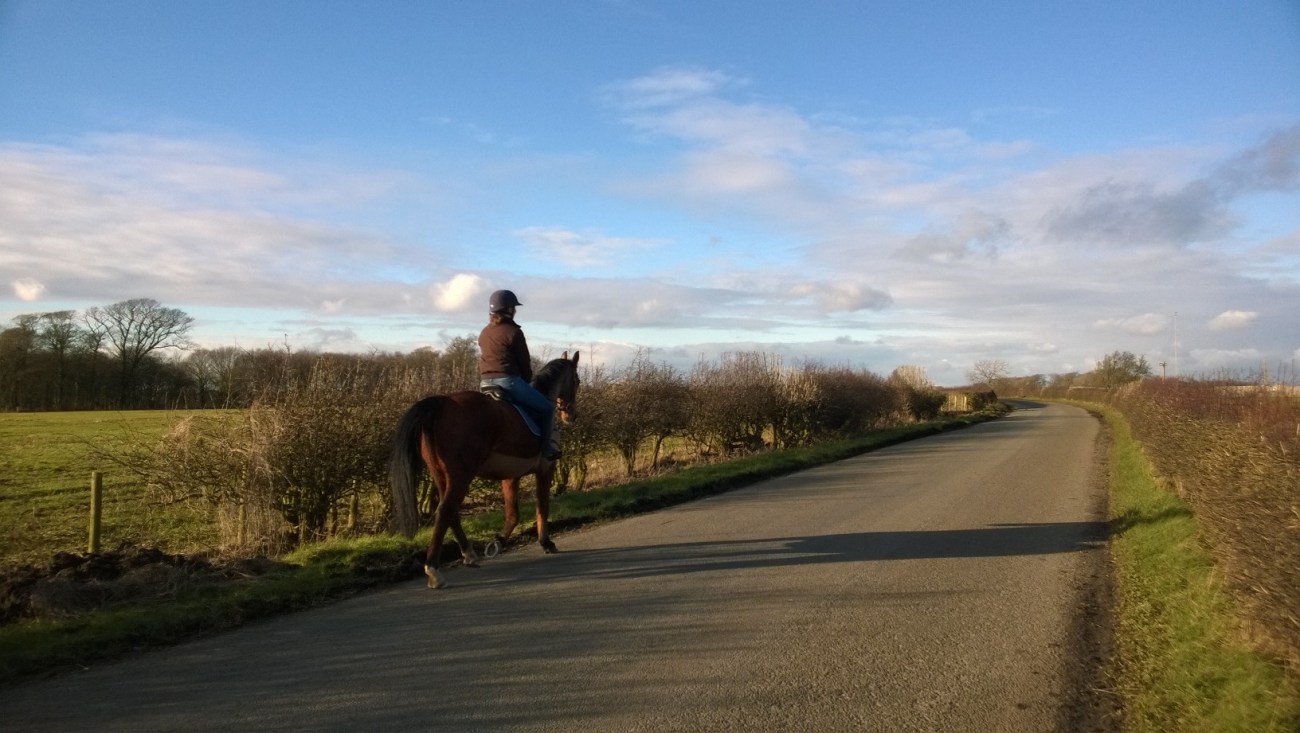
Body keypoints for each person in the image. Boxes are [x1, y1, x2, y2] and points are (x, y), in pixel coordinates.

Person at [478, 289, 561, 460]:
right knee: (547, 408)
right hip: (508, 382)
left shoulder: (484, 332)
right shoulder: (514, 332)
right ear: (509, 309)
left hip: (485, 382)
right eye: (514, 308)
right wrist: (528, 381)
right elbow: (524, 363)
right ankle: (546, 449)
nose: (515, 311)